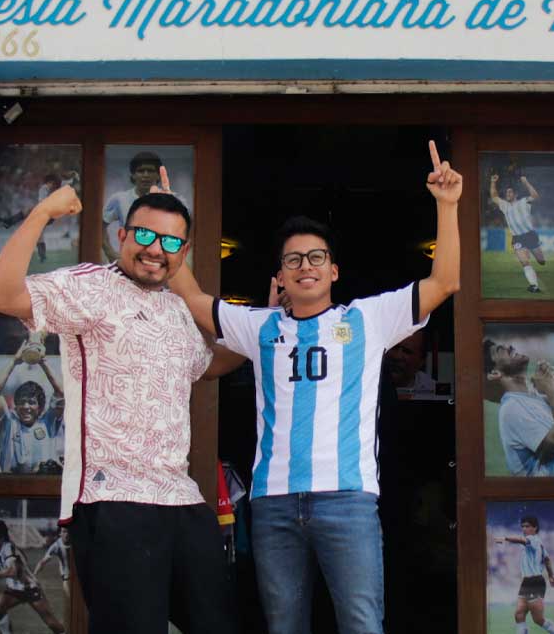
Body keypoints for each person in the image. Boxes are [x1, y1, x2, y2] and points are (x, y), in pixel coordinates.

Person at [169, 140, 462, 634]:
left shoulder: (368, 318)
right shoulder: (259, 326)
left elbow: (445, 281)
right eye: (293, 260)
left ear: (334, 270)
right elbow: (192, 296)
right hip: (274, 502)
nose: (305, 266)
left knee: (362, 623)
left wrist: (447, 205)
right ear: (280, 275)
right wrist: (171, 229)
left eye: (316, 257)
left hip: (347, 499)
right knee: (284, 626)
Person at [0, 183, 241, 634]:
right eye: (145, 236)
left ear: (184, 252)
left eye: (171, 241)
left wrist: (272, 327)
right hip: (114, 499)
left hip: (181, 498)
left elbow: (208, 364)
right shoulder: (89, 287)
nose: (156, 250)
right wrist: (43, 212)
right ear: (121, 235)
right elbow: (0, 296)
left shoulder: (177, 311)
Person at [483, 339, 554, 477]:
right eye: (500, 350)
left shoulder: (533, 396)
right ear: (495, 373)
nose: (510, 346)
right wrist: (552, 390)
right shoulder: (513, 408)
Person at [0, 337, 65, 474]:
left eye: (32, 402)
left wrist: (42, 361)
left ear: (40, 407)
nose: (26, 406)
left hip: (41, 491)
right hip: (10, 490)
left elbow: (61, 391)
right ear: (15, 406)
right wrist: (14, 361)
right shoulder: (8, 424)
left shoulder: (47, 423)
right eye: (22, 402)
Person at [0, 518, 66, 634]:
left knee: (52, 623)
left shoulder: (7, 548)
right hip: (14, 589)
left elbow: (13, 572)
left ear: (2, 538)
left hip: (30, 588)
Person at [494, 515, 554, 634]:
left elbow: (522, 540)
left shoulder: (533, 539)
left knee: (538, 619)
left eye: (527, 526)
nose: (524, 529)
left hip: (535, 582)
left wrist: (505, 538)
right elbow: (547, 559)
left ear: (535, 528)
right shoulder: (539, 543)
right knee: (519, 614)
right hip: (527, 582)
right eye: (522, 526)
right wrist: (551, 576)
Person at [102, 151, 166, 261]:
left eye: (150, 171)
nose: (145, 175)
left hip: (156, 260)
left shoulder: (169, 200)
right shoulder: (119, 199)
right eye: (141, 171)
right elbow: (99, 227)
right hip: (127, 261)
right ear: (133, 175)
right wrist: (110, 253)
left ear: (158, 175)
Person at [489, 172, 547, 293]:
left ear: (515, 194)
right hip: (517, 238)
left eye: (510, 192)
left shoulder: (524, 202)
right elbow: (494, 196)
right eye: (507, 192)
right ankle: (534, 286)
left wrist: (526, 182)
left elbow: (535, 196)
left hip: (530, 235)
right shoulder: (504, 206)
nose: (507, 194)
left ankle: (535, 259)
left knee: (541, 261)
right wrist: (493, 182)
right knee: (524, 262)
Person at [384, 329, 437, 399]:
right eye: (394, 347)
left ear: (421, 361)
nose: (397, 356)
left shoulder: (434, 392)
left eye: (407, 351)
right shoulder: (368, 382)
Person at [34, 526, 73, 599]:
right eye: (64, 531)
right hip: (66, 574)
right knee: (69, 593)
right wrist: (35, 574)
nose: (67, 534)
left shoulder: (77, 540)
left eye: (68, 531)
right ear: (60, 534)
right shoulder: (56, 546)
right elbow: (43, 562)